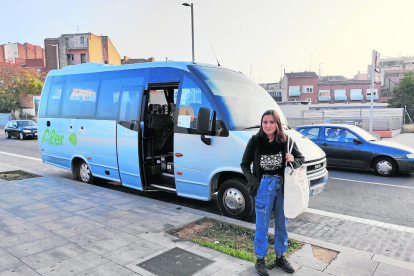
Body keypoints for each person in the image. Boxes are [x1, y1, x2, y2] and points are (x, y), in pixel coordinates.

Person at [241, 110, 304, 276]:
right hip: (263, 186)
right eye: (265, 122)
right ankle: (260, 259)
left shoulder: (286, 140)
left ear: (277, 124)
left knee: (282, 224)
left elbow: (300, 159)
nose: (268, 125)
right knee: (262, 224)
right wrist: (255, 182)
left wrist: (293, 160)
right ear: (262, 124)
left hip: (283, 187)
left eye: (271, 122)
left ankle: (280, 257)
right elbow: (244, 165)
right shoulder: (255, 141)